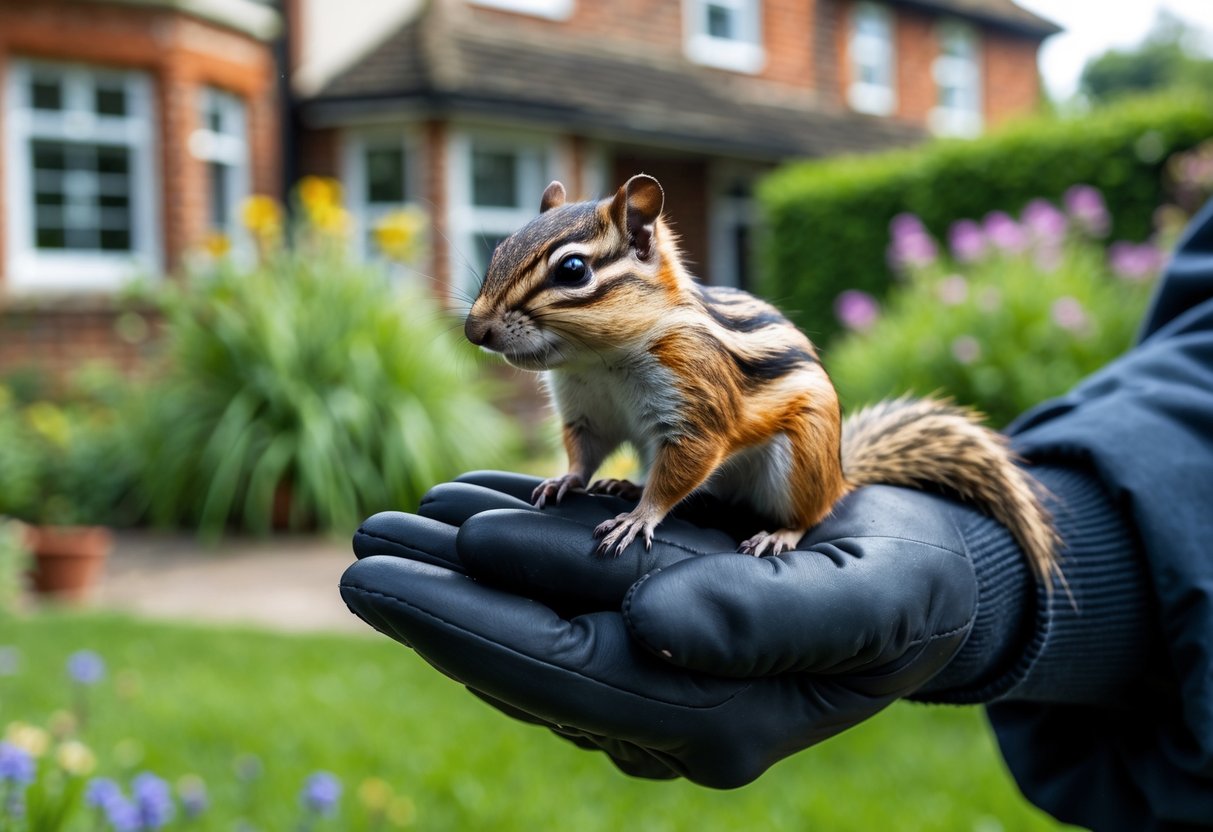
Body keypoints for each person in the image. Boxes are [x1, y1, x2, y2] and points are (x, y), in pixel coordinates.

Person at [340, 197, 1213, 831]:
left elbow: (699, 435)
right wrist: (580, 469)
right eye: (496, 292)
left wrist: (652, 509)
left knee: (766, 439)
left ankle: (794, 515)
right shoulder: (584, 355)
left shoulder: (678, 347)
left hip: (776, 446)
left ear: (644, 248)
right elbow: (590, 419)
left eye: (567, 279)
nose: (492, 320)